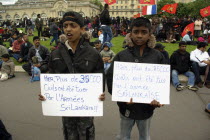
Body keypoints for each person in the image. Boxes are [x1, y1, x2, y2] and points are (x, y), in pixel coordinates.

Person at [38, 11, 105, 140]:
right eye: (65, 25)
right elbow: (51, 78)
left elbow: (100, 80)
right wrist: (46, 93)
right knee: (69, 134)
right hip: (66, 109)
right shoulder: (55, 54)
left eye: (73, 25)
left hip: (86, 109)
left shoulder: (93, 54)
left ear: (82, 29)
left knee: (86, 134)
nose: (68, 29)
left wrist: (100, 94)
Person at [107, 17, 164, 140]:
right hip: (126, 108)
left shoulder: (157, 56)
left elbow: (162, 81)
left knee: (145, 136)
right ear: (130, 33)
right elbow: (111, 78)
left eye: (144, 32)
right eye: (136, 32)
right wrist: (121, 97)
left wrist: (159, 98)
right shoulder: (122, 56)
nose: (139, 36)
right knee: (123, 136)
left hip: (147, 109)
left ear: (149, 34)